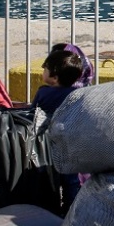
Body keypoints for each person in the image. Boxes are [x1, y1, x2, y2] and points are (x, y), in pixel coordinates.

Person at [32, 47, 86, 215]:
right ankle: (70, 209)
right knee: (70, 179)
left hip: (46, 143)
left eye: (45, 68)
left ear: (54, 77)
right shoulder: (78, 94)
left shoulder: (43, 92)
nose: (43, 70)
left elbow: (32, 114)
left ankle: (49, 208)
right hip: (71, 143)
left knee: (47, 177)